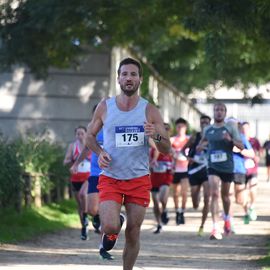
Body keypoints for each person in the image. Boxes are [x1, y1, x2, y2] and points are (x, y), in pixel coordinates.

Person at [71, 57, 170, 270]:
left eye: (133, 74)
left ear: (140, 79)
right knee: (109, 225)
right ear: (118, 78)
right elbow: (89, 136)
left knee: (133, 232)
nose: (128, 78)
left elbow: (166, 148)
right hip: (111, 178)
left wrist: (156, 135)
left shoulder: (149, 111)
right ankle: (115, 227)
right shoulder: (105, 107)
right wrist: (100, 151)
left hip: (139, 179)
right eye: (124, 74)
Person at [197, 103, 243, 240]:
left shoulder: (231, 128)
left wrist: (230, 140)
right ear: (213, 112)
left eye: (221, 110)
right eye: (216, 110)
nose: (219, 112)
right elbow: (203, 142)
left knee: (225, 197)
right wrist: (200, 146)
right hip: (212, 165)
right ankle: (215, 227)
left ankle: (227, 218)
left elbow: (241, 146)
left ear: (225, 112)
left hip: (227, 166)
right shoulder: (208, 129)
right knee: (214, 194)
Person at [182, 115, 211, 236]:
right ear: (199, 123)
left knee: (207, 198)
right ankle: (195, 199)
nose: (204, 123)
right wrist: (188, 157)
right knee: (195, 202)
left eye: (206, 121)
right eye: (202, 121)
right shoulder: (195, 136)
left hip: (207, 170)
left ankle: (202, 225)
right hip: (194, 170)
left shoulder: (213, 136)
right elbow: (183, 150)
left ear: (210, 123)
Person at [63, 126, 91, 240]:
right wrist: (73, 160)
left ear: (86, 134)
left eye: (82, 133)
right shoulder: (72, 146)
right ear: (75, 135)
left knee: (83, 195)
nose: (80, 136)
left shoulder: (90, 145)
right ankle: (84, 228)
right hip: (75, 178)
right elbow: (65, 161)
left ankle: (87, 217)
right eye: (77, 134)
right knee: (80, 205)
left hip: (88, 177)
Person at [228, 119, 255, 225]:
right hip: (226, 170)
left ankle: (247, 209)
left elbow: (252, 154)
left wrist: (240, 150)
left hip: (239, 170)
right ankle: (229, 221)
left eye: (234, 125)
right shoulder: (223, 138)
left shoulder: (241, 137)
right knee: (228, 195)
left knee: (240, 199)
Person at [150, 123, 173, 234]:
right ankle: (159, 223)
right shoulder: (154, 141)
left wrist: (173, 165)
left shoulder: (169, 143)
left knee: (162, 199)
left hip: (166, 176)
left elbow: (174, 156)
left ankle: (165, 210)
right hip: (154, 177)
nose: (165, 131)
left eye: (167, 129)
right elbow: (154, 148)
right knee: (155, 202)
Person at [170, 118, 190, 225]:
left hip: (185, 169)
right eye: (178, 127)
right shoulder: (172, 140)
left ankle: (182, 212)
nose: (180, 129)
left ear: (185, 128)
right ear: (176, 128)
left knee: (184, 192)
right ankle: (177, 211)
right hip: (175, 170)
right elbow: (167, 150)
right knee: (175, 193)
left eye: (182, 127)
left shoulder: (189, 139)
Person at [241, 121, 261, 220]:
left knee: (253, 188)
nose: (245, 130)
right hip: (241, 170)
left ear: (249, 129)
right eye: (243, 129)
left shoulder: (254, 141)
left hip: (253, 169)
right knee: (243, 193)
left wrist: (257, 157)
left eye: (246, 128)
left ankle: (252, 206)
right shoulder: (238, 140)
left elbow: (259, 154)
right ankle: (246, 212)